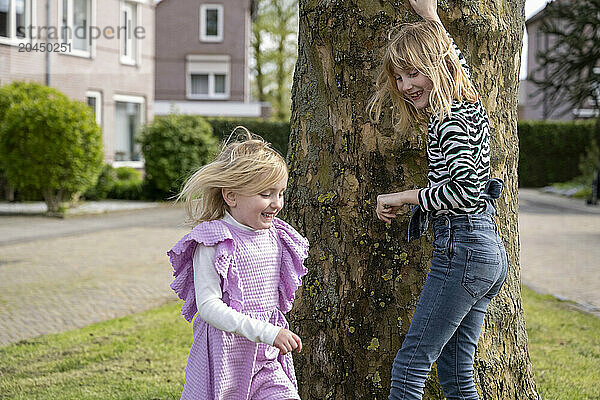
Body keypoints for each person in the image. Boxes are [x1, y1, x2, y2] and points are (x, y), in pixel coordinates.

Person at [369, 1, 508, 399]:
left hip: (462, 250)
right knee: (456, 372)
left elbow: (462, 193)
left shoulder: (450, 121)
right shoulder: (467, 104)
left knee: (410, 367)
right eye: (399, 77)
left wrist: (402, 196)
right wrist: (430, 16)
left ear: (436, 69)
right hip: (486, 253)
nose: (406, 85)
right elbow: (458, 64)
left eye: (414, 73)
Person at [167, 128, 309, 400]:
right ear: (231, 196)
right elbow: (208, 306)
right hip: (224, 358)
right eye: (266, 194)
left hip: (266, 359)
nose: (276, 203)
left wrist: (271, 334)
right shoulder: (213, 240)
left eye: (280, 193)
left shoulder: (278, 236)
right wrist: (267, 332)